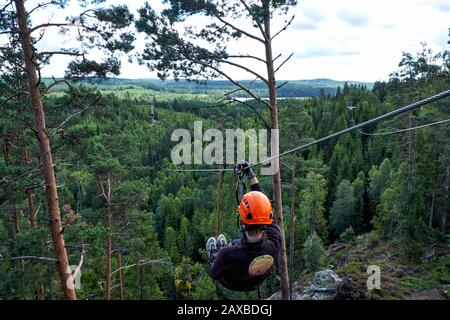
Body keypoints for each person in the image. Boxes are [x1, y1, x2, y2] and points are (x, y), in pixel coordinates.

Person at [206, 161, 283, 292]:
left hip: (232, 283)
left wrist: (217, 256)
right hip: (256, 282)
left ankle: (213, 252)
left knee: (219, 256)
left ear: (241, 221)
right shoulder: (276, 239)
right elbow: (262, 205)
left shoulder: (227, 254)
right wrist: (251, 174)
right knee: (234, 247)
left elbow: (214, 273)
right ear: (267, 218)